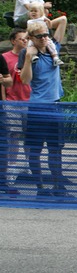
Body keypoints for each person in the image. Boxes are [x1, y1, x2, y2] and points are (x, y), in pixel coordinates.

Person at [18, 20, 68, 196]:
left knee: (56, 149)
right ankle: (40, 187)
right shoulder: (27, 52)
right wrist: (28, 58)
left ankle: (58, 186)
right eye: (40, 36)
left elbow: (63, 21)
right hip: (38, 106)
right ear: (32, 38)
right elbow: (25, 80)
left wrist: (44, 21)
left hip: (55, 104)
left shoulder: (53, 48)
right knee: (36, 149)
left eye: (46, 34)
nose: (45, 38)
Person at [3, 29, 30, 192]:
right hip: (12, 101)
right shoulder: (5, 58)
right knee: (14, 134)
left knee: (29, 135)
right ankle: (11, 169)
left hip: (29, 100)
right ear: (14, 41)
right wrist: (4, 100)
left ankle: (27, 165)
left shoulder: (31, 54)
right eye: (21, 39)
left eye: (27, 39)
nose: (25, 41)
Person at [25, 2, 65, 66]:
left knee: (51, 45)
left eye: (35, 11)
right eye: (31, 11)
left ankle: (55, 57)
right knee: (29, 45)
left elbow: (49, 24)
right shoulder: (29, 22)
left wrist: (49, 23)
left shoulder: (42, 19)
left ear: (40, 12)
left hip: (45, 35)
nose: (33, 12)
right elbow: (29, 31)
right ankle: (33, 56)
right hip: (33, 37)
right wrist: (25, 37)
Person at [0, 46, 14, 194]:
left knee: (3, 146)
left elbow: (9, 82)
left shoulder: (0, 58)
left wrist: (3, 79)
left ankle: (3, 182)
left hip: (0, 111)